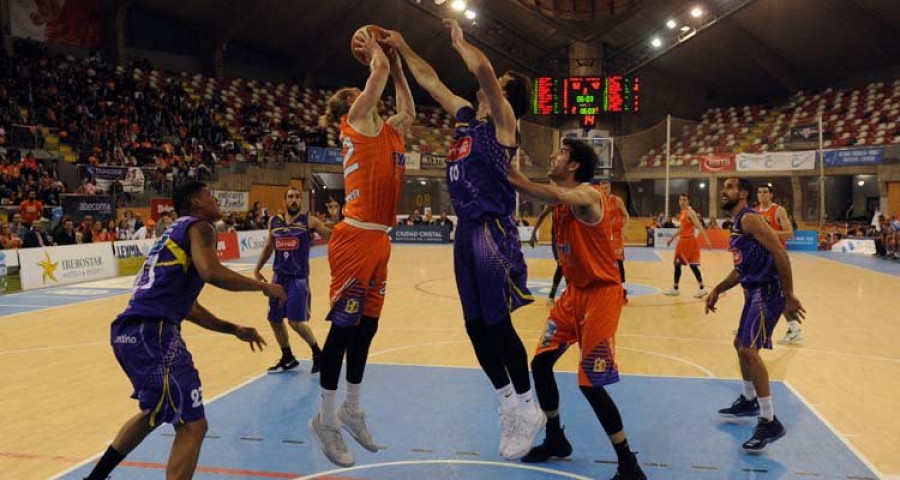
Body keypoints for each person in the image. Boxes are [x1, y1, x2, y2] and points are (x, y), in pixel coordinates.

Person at [385, 21, 542, 461]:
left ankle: (528, 405)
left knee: (497, 323)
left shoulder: (504, 124)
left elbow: (486, 72)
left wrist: (459, 42)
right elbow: (430, 80)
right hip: (465, 232)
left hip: (492, 231)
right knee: (474, 326)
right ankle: (508, 401)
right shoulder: (466, 120)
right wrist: (402, 46)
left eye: (498, 85)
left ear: (505, 95)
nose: (483, 87)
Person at [82, 181, 286, 480]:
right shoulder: (200, 227)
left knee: (153, 414)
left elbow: (188, 307)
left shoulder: (172, 235)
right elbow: (212, 272)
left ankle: (95, 478)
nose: (215, 200)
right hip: (154, 335)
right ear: (196, 202)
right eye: (209, 195)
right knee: (193, 425)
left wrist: (233, 329)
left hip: (131, 333)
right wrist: (264, 287)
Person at [508, 139, 646, 480]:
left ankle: (628, 463)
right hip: (573, 295)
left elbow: (557, 196)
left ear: (573, 166)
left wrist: (505, 171)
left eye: (560, 153)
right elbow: (549, 198)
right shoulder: (559, 201)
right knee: (540, 364)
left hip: (601, 295)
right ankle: (556, 439)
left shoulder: (587, 195)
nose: (554, 156)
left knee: (590, 383)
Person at [307, 30, 415, 468]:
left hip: (379, 240)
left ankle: (352, 407)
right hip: (354, 237)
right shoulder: (356, 117)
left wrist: (400, 67)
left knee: (367, 329)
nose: (370, 90)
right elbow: (381, 73)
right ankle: (326, 420)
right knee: (344, 330)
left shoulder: (387, 130)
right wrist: (377, 51)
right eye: (364, 87)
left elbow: (408, 107)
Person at [706, 177, 806, 453]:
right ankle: (749, 400)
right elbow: (742, 269)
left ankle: (769, 419)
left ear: (743, 193)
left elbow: (779, 252)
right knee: (740, 345)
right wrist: (718, 288)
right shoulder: (737, 224)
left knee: (750, 351)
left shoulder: (749, 219)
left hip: (768, 291)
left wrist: (789, 295)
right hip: (753, 290)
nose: (723, 191)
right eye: (723, 187)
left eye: (729, 187)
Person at [254, 187, 331, 374]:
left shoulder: (309, 221)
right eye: (290, 197)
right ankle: (287, 357)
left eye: (297, 197)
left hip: (298, 279)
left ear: (301, 201)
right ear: (284, 201)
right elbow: (268, 248)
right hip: (278, 278)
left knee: (295, 322)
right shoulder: (274, 221)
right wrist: (257, 269)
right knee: (275, 319)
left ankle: (318, 353)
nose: (294, 200)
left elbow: (332, 236)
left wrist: (334, 218)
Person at [755, 185, 803, 345]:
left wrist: (768, 233)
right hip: (761, 258)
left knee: (778, 295)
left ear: (771, 194)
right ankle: (753, 325)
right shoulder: (754, 212)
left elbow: (789, 233)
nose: (762, 195)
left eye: (765, 192)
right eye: (760, 192)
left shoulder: (778, 210)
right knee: (758, 293)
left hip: (776, 257)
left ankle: (794, 328)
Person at [664, 194, 710, 297]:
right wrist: (672, 238)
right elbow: (682, 229)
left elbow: (699, 226)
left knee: (679, 264)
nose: (682, 201)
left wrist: (707, 240)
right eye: (680, 199)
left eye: (684, 199)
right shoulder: (683, 213)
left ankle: (676, 289)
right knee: (691, 265)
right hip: (684, 241)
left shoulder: (690, 212)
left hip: (688, 242)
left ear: (688, 201)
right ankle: (701, 288)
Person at [600, 180, 630, 300]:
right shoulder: (598, 202)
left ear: (610, 189)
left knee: (618, 262)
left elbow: (626, 215)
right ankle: (605, 290)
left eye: (606, 188)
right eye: (602, 188)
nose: (604, 190)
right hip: (603, 236)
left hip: (616, 235)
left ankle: (622, 290)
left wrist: (625, 229)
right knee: (603, 264)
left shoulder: (617, 200)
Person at [530, 204, 564, 306]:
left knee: (569, 266)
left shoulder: (572, 201)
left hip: (568, 238)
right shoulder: (554, 202)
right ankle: (552, 295)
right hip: (557, 239)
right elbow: (541, 216)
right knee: (561, 264)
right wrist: (533, 233)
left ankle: (572, 296)